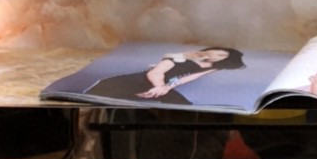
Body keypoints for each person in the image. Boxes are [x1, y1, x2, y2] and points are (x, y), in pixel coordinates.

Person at [87, 46, 245, 104]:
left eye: (221, 55)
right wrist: (160, 86)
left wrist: (167, 88)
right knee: (102, 101)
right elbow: (155, 72)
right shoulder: (180, 58)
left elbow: (185, 79)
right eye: (214, 51)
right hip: (133, 82)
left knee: (182, 105)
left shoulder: (212, 68)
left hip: (160, 87)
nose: (214, 55)